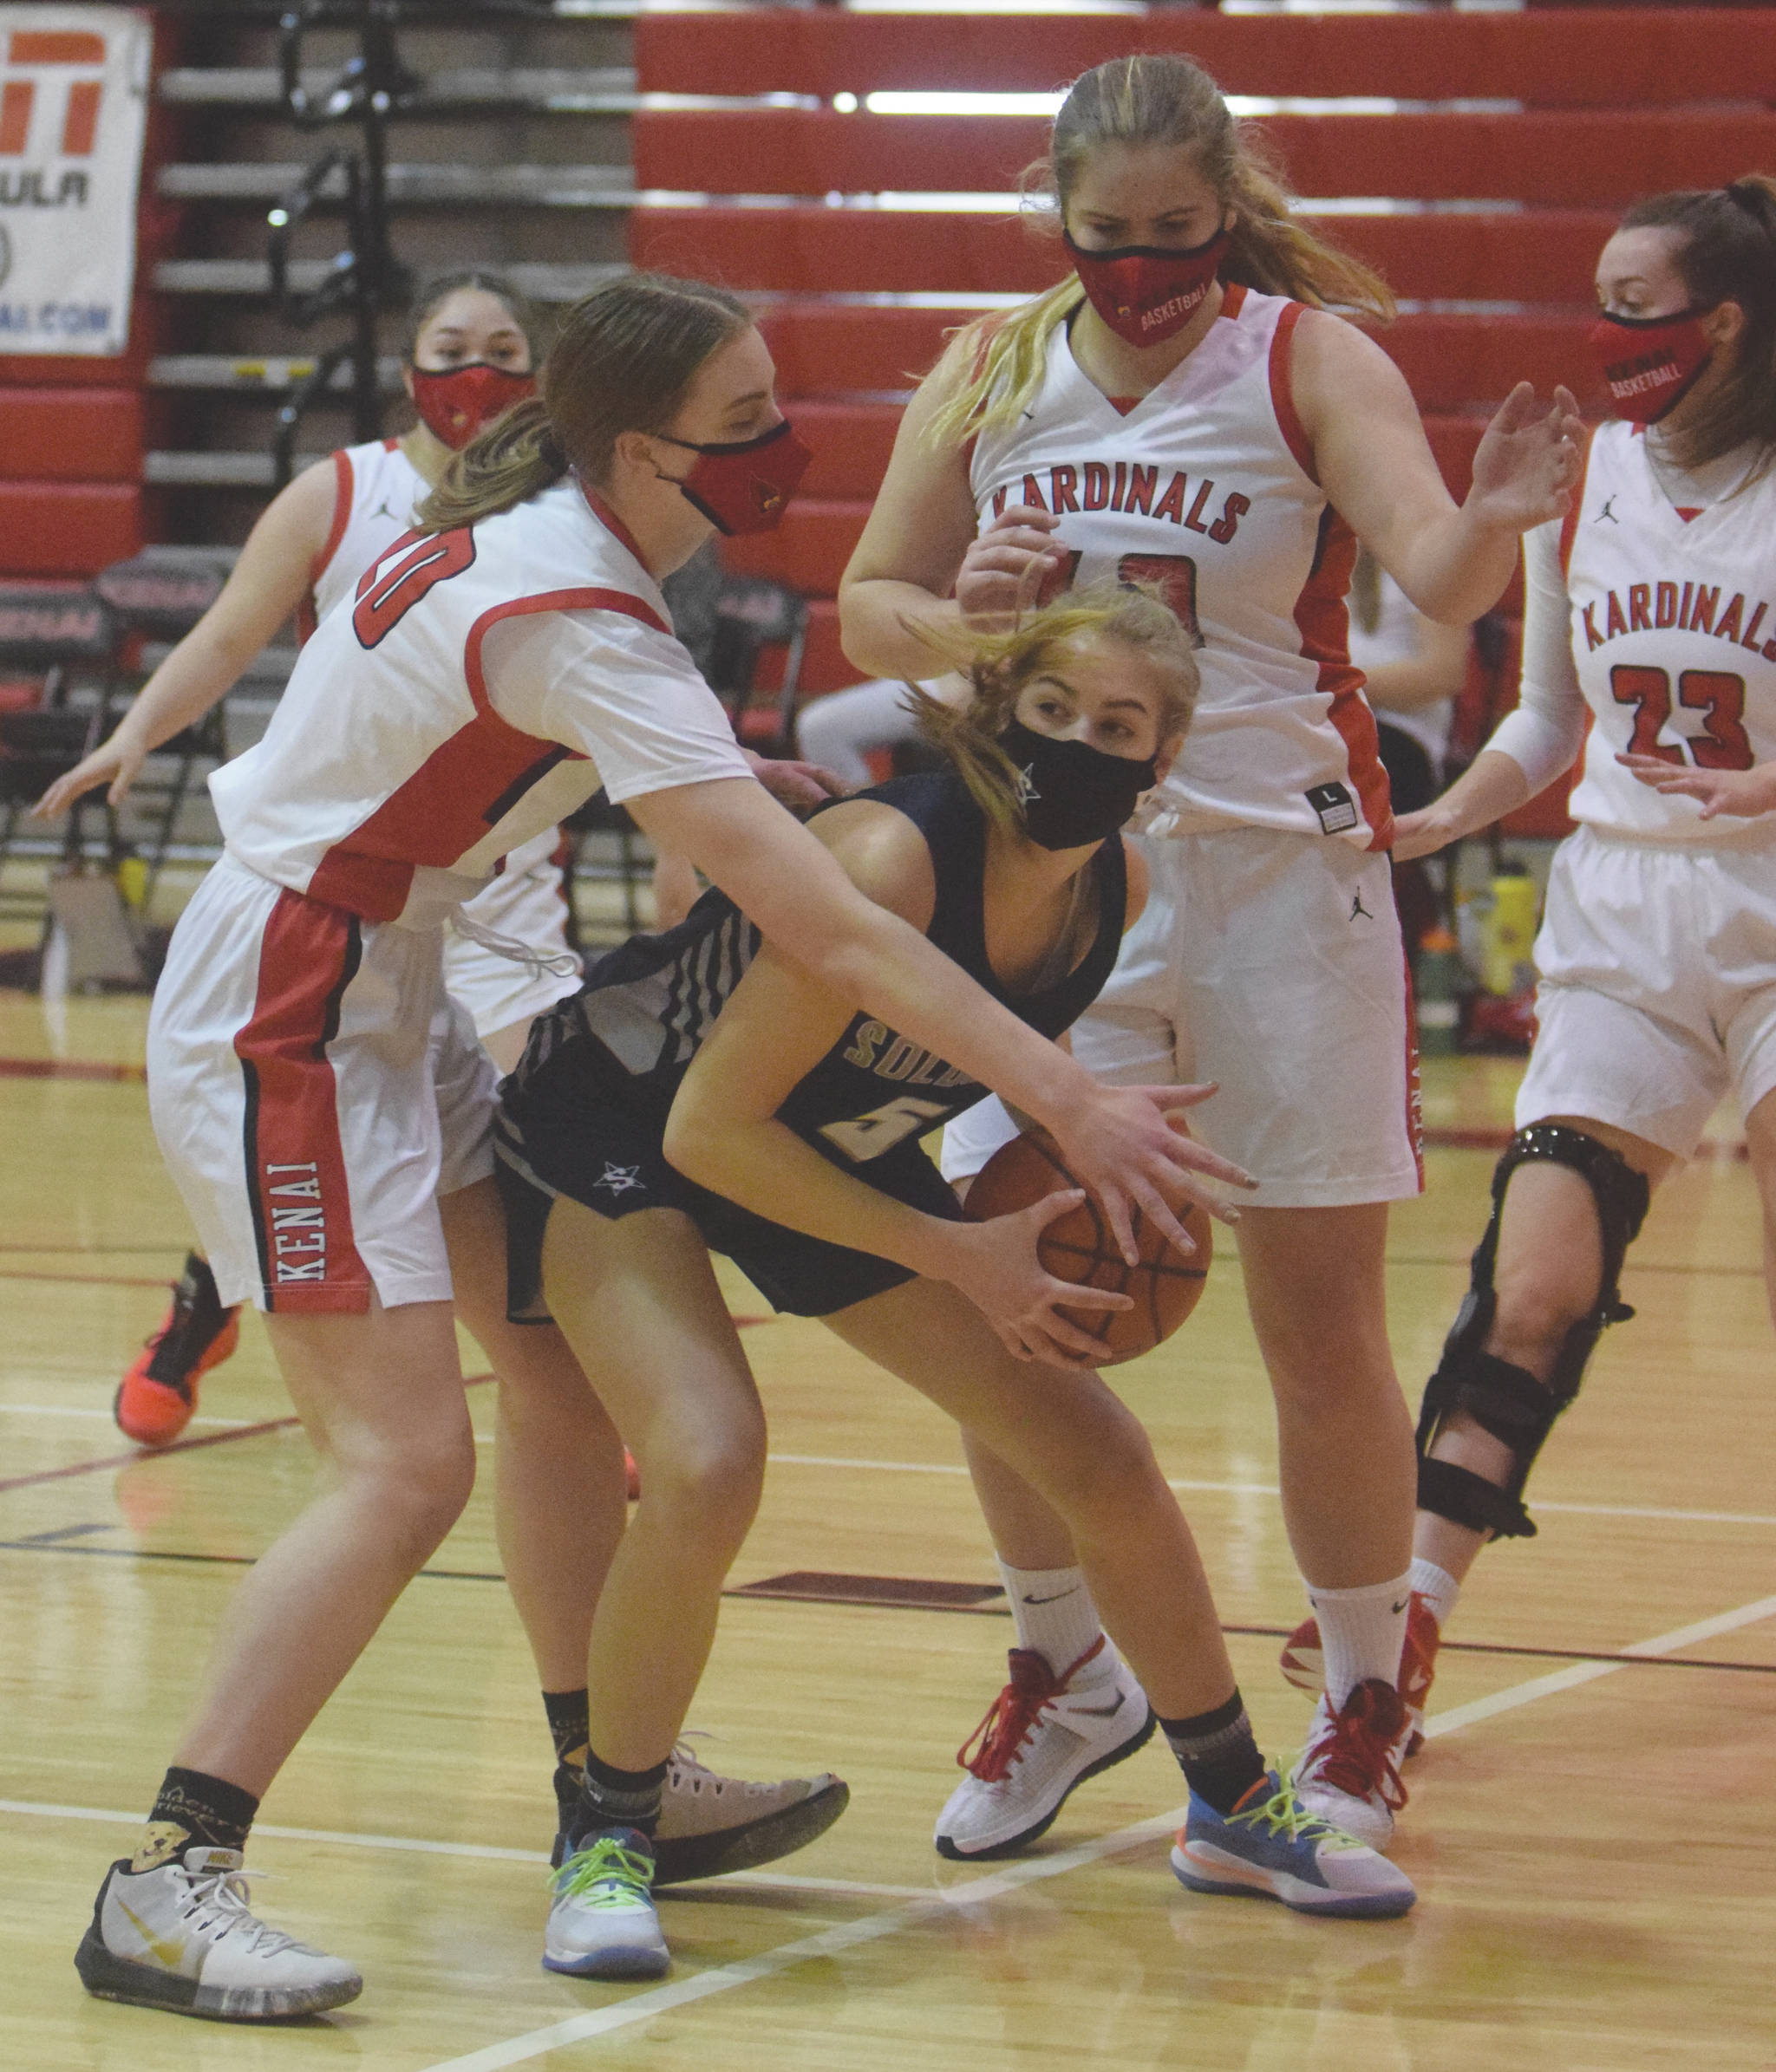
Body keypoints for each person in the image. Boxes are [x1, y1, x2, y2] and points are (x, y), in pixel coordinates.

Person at [71, 270, 1244, 2025]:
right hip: (297, 994)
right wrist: (1064, 1098)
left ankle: (607, 1784)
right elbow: (828, 933)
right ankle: (170, 1873)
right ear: (643, 448)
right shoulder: (575, 607)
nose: (781, 448)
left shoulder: (556, 534)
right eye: (747, 423)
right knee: (401, 1466)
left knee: (557, 1389)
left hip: (394, 964)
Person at [837, 51, 1582, 1856]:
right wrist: (969, 621)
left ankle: (1357, 1696)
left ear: (1224, 212)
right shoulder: (993, 362)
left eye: (1177, 234)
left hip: (1274, 872)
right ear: (1059, 219)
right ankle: (1064, 1666)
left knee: (1314, 1322)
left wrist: (1488, 518)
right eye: (1110, 237)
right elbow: (870, 599)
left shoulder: (1306, 356)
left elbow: (1438, 570)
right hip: (1047, 875)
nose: (1144, 268)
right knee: (999, 1292)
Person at [493, 583, 1414, 1982]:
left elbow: (896, 1097)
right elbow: (711, 1131)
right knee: (706, 1453)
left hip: (817, 1146)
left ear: (1164, 760)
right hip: (627, 1123)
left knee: (1093, 1449)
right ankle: (609, 1835)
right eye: (1052, 710)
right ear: (996, 711)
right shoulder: (891, 859)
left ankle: (1233, 1804)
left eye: (1119, 724)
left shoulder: (1123, 888)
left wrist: (1048, 1185)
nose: (1079, 742)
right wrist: (959, 1251)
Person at [39, 272, 838, 1447]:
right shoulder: (363, 493)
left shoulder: (570, 516)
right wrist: (135, 733)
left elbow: (618, 713)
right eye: (452, 345)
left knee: (531, 1178)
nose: (479, 368)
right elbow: (228, 631)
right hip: (338, 895)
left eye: (504, 346)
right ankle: (218, 1293)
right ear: (410, 363)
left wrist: (712, 776)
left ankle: (577, 1407)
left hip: (490, 890)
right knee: (394, 1414)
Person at [1283, 176, 1776, 1737]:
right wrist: (1451, 812)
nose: (1607, 330)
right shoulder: (1593, 477)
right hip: (1623, 907)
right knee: (1532, 1283)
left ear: (1727, 324)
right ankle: (1405, 1630)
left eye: (1637, 305)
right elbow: (1552, 717)